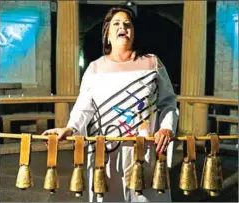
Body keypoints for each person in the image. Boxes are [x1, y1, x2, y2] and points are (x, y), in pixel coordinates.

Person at [42, 5, 179, 202]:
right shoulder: (95, 68)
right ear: (107, 34)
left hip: (145, 151)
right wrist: (69, 128)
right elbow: (83, 107)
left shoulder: (152, 63)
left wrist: (166, 128)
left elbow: (168, 102)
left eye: (127, 24)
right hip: (104, 154)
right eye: (116, 23)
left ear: (134, 33)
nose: (122, 27)